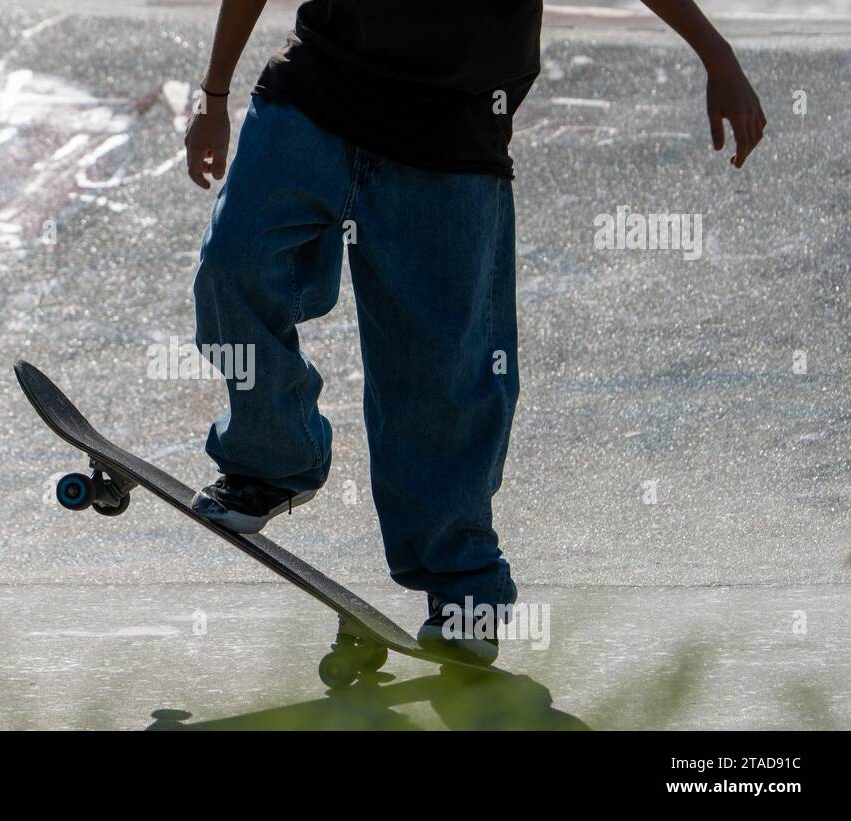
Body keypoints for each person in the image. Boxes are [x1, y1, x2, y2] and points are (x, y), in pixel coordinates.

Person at [184, 0, 765, 663]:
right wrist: (214, 93)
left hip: (452, 139)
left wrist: (716, 56)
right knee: (233, 267)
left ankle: (464, 590)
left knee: (444, 381)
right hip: (314, 97)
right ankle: (271, 459)